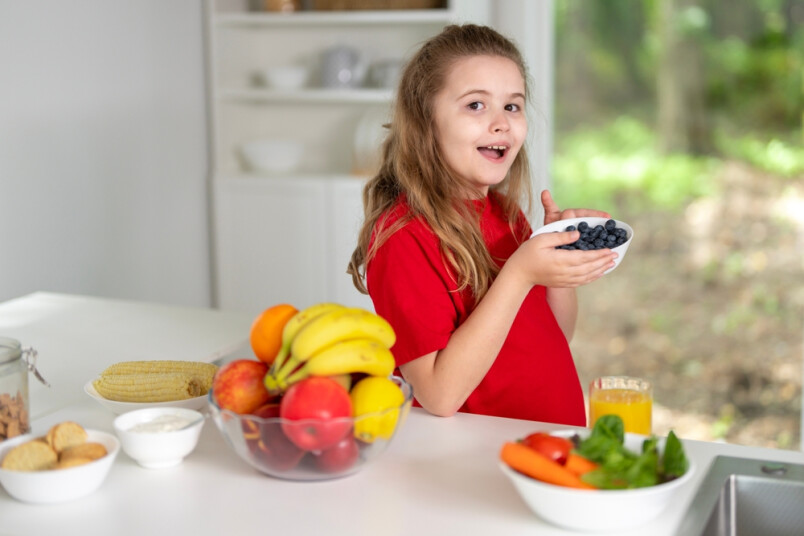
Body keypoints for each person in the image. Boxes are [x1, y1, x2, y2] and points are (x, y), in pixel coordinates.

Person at [347, 24, 617, 426]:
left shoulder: (504, 213)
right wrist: (521, 272)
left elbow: (556, 336)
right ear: (425, 121)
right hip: (480, 463)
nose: (501, 123)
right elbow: (438, 394)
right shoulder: (401, 237)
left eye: (512, 106)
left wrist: (559, 258)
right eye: (476, 105)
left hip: (547, 446)